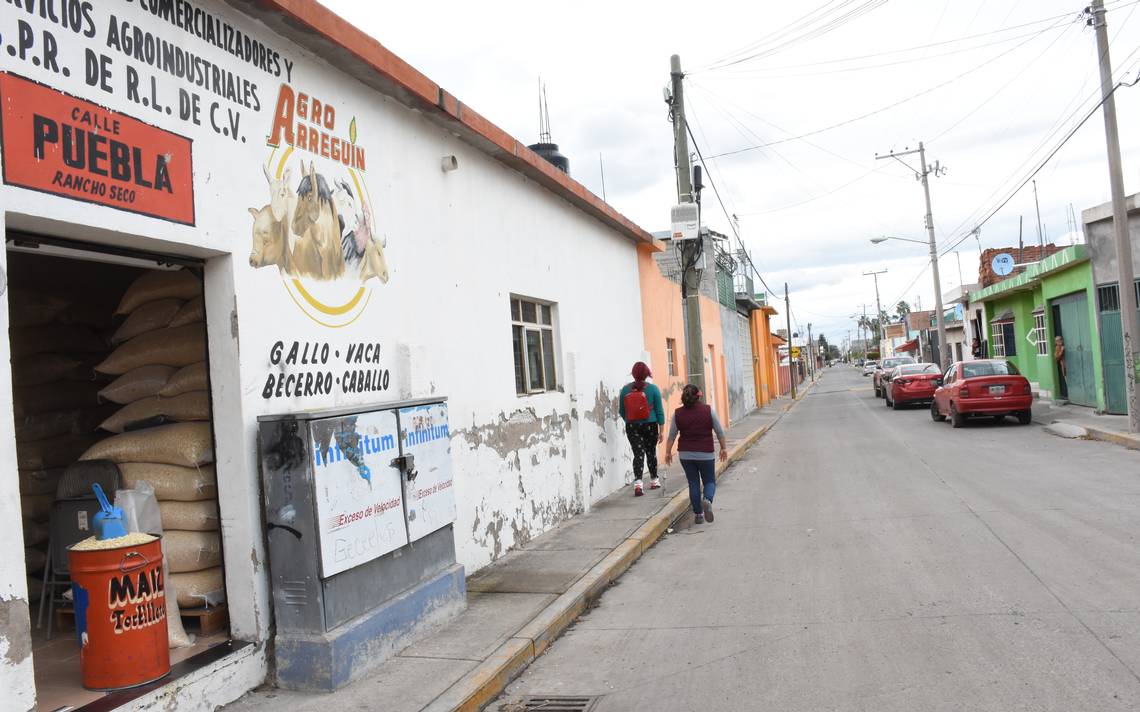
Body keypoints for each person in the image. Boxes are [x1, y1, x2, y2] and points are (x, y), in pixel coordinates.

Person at [664, 384, 728, 524]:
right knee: (709, 481)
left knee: (693, 483)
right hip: (705, 453)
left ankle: (698, 514)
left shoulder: (677, 413)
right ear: (699, 396)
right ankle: (707, 500)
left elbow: (671, 436)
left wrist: (668, 452)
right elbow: (719, 431)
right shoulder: (708, 410)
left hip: (685, 455)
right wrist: (723, 448)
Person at [618, 361, 665, 496]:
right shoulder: (653, 389)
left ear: (633, 374)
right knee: (651, 452)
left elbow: (622, 411)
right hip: (650, 424)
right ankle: (654, 480)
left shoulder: (625, 390)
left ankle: (638, 484)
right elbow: (659, 411)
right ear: (647, 374)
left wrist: (631, 421)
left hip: (632, 425)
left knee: (638, 453)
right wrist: (661, 431)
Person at [1054, 335, 1068, 400]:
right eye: (1057, 341)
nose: (1059, 341)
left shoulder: (1066, 344)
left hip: (1067, 365)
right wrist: (1061, 351)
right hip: (1064, 367)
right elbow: (1056, 357)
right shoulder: (1057, 348)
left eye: (1060, 339)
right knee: (1067, 380)